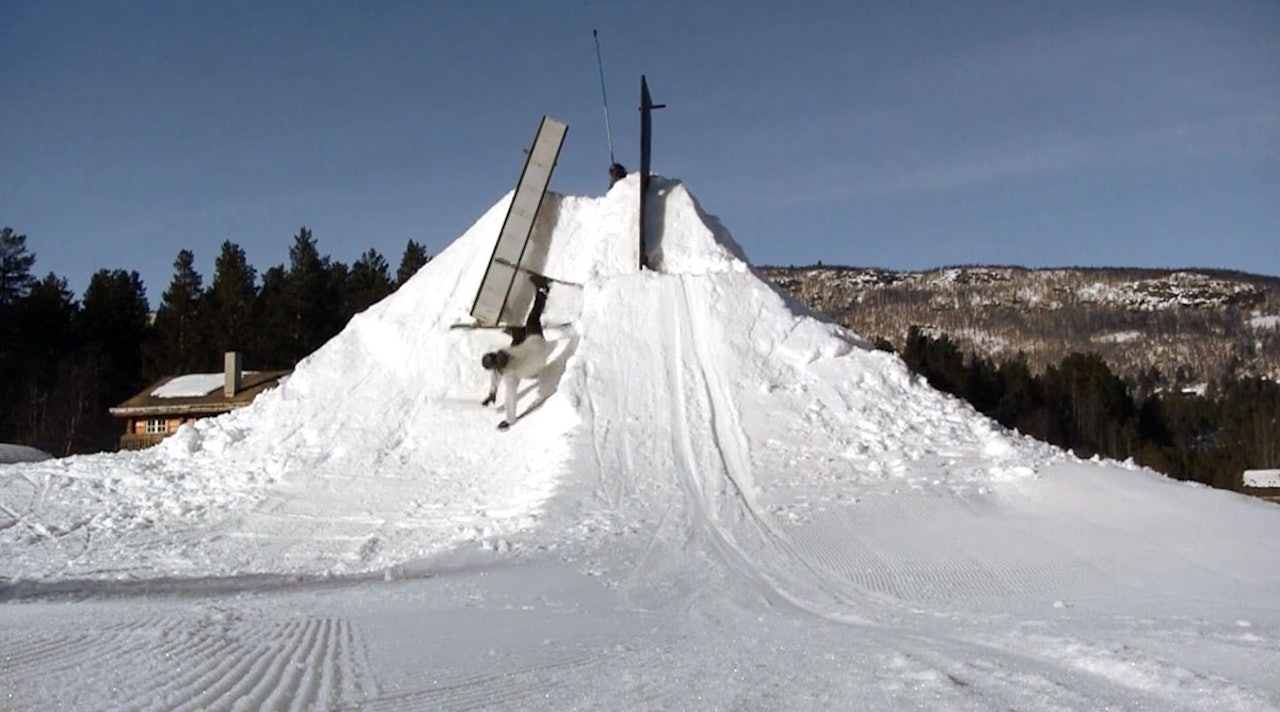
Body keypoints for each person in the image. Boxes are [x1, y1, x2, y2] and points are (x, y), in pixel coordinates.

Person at [480, 274, 553, 430]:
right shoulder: (508, 367)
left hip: (535, 351)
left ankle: (517, 329)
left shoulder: (507, 372)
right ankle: (543, 290)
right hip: (535, 348)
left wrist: (494, 396)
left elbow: (506, 391)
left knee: (522, 333)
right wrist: (508, 418)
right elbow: (506, 390)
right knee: (532, 321)